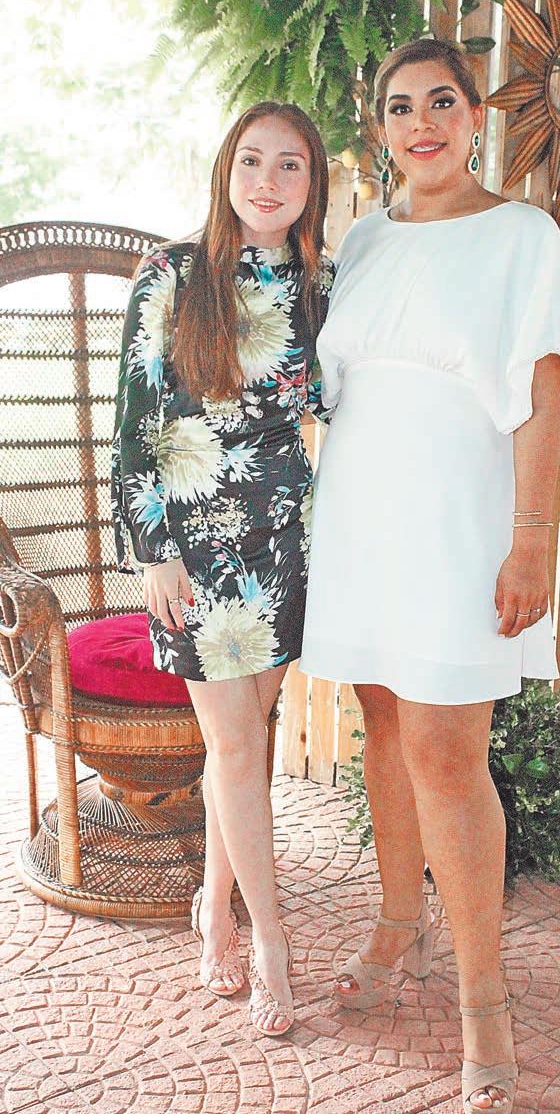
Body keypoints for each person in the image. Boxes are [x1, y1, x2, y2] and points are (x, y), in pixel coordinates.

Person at [300, 39, 560, 1111]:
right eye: (399, 107)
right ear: (380, 126)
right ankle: (399, 925)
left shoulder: (522, 237)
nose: (419, 123)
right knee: (382, 722)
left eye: (440, 102)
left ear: (474, 116)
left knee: (445, 748)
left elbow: (543, 391)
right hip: (360, 521)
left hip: (457, 525)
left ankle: (485, 1000)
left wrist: (532, 538)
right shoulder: (364, 238)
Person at [112, 101, 333, 1037]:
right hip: (193, 544)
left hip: (285, 534)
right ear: (225, 169)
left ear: (313, 183)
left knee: (245, 741)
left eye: (290, 165)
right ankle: (267, 938)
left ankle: (212, 910)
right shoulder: (170, 273)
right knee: (239, 748)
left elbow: (340, 400)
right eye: (251, 160)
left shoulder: (321, 283)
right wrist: (153, 552)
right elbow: (135, 426)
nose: (267, 181)